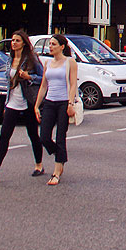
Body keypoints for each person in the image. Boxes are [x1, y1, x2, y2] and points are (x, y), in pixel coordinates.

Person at [0, 29, 45, 181]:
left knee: (33, 135)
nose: (14, 43)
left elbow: (43, 78)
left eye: (17, 41)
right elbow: (8, 82)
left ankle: (39, 165)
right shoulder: (10, 58)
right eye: (12, 41)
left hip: (28, 102)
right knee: (4, 136)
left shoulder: (32, 59)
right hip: (12, 102)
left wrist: (30, 77)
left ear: (24, 43)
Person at [34, 34, 78, 186]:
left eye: (53, 44)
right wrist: (37, 105)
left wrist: (70, 104)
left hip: (63, 102)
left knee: (60, 137)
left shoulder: (70, 62)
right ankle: (60, 154)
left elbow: (73, 84)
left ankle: (57, 172)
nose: (50, 46)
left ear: (62, 47)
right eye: (50, 44)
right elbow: (44, 86)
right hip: (49, 102)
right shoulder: (47, 63)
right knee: (44, 137)